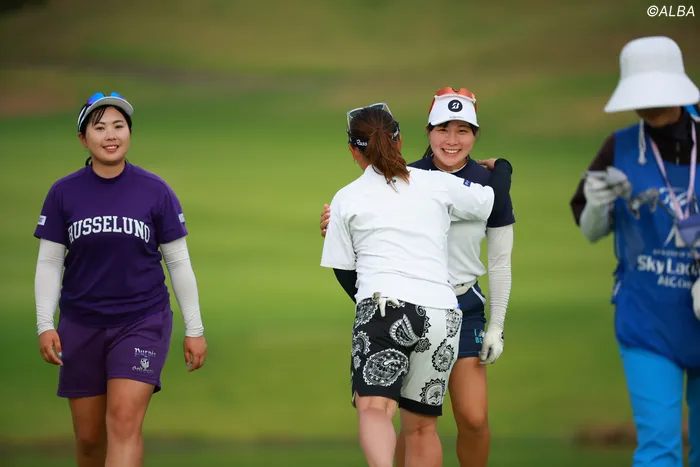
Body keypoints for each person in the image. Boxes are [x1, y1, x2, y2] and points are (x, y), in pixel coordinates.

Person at [320, 87, 515, 467]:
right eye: (444, 129)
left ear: (353, 151)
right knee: (422, 428)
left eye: (463, 130)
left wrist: (369, 303)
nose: (452, 139)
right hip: (442, 312)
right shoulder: (435, 182)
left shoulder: (347, 197)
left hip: (392, 306)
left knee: (375, 409)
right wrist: (504, 167)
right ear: (402, 139)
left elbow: (345, 268)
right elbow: (493, 200)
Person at [33, 92, 208, 467]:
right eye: (99, 128)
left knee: (124, 423)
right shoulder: (63, 193)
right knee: (89, 440)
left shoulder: (155, 191)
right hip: (81, 324)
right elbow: (49, 262)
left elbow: (178, 262)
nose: (110, 135)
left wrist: (194, 328)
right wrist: (44, 324)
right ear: (83, 138)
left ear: (129, 132)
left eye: (118, 126)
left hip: (142, 322)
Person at [569, 36, 700, 467]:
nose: (648, 107)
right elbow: (591, 229)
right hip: (647, 320)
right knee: (658, 449)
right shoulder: (618, 147)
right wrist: (598, 202)